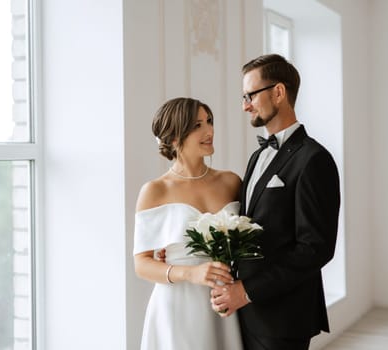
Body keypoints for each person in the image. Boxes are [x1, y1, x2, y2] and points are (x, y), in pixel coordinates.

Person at [210, 54, 341, 350]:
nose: (245, 105)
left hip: (283, 317)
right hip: (243, 313)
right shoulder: (257, 156)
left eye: (250, 95)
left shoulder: (314, 159)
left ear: (278, 92)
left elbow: (315, 248)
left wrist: (247, 291)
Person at [133, 97, 244, 350]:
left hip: (224, 303)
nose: (209, 131)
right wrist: (190, 272)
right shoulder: (155, 190)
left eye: (209, 121)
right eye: (197, 125)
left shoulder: (231, 182)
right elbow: (141, 264)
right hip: (176, 308)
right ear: (173, 138)